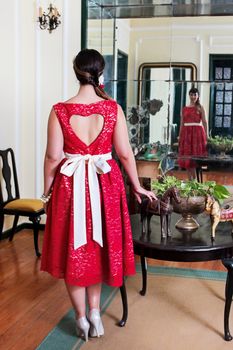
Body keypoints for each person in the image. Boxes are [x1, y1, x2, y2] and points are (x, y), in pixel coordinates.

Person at [40, 49, 156, 342]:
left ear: (75, 71)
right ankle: (95, 313)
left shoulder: (60, 110)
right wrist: (137, 186)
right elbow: (126, 155)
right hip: (106, 184)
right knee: (97, 247)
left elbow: (53, 157)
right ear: (100, 73)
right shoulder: (111, 108)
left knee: (75, 251)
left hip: (71, 185)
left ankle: (80, 318)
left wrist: (46, 190)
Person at [178, 87, 208, 180]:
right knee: (187, 158)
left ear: (198, 96)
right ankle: (190, 180)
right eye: (191, 94)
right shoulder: (185, 109)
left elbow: (204, 122)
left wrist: (207, 136)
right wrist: (180, 136)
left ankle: (193, 180)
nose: (193, 96)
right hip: (186, 134)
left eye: (195, 94)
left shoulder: (200, 107)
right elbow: (182, 123)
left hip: (197, 134)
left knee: (194, 158)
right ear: (189, 95)